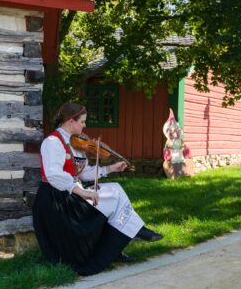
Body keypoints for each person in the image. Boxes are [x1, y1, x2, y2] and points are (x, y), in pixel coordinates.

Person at [32, 102, 162, 276]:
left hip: (71, 193)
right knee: (113, 199)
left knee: (115, 190)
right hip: (56, 201)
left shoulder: (77, 145)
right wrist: (82, 191)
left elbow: (84, 173)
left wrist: (109, 169)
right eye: (83, 121)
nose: (85, 126)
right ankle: (130, 235)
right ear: (71, 121)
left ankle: (123, 241)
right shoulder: (53, 142)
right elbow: (53, 174)